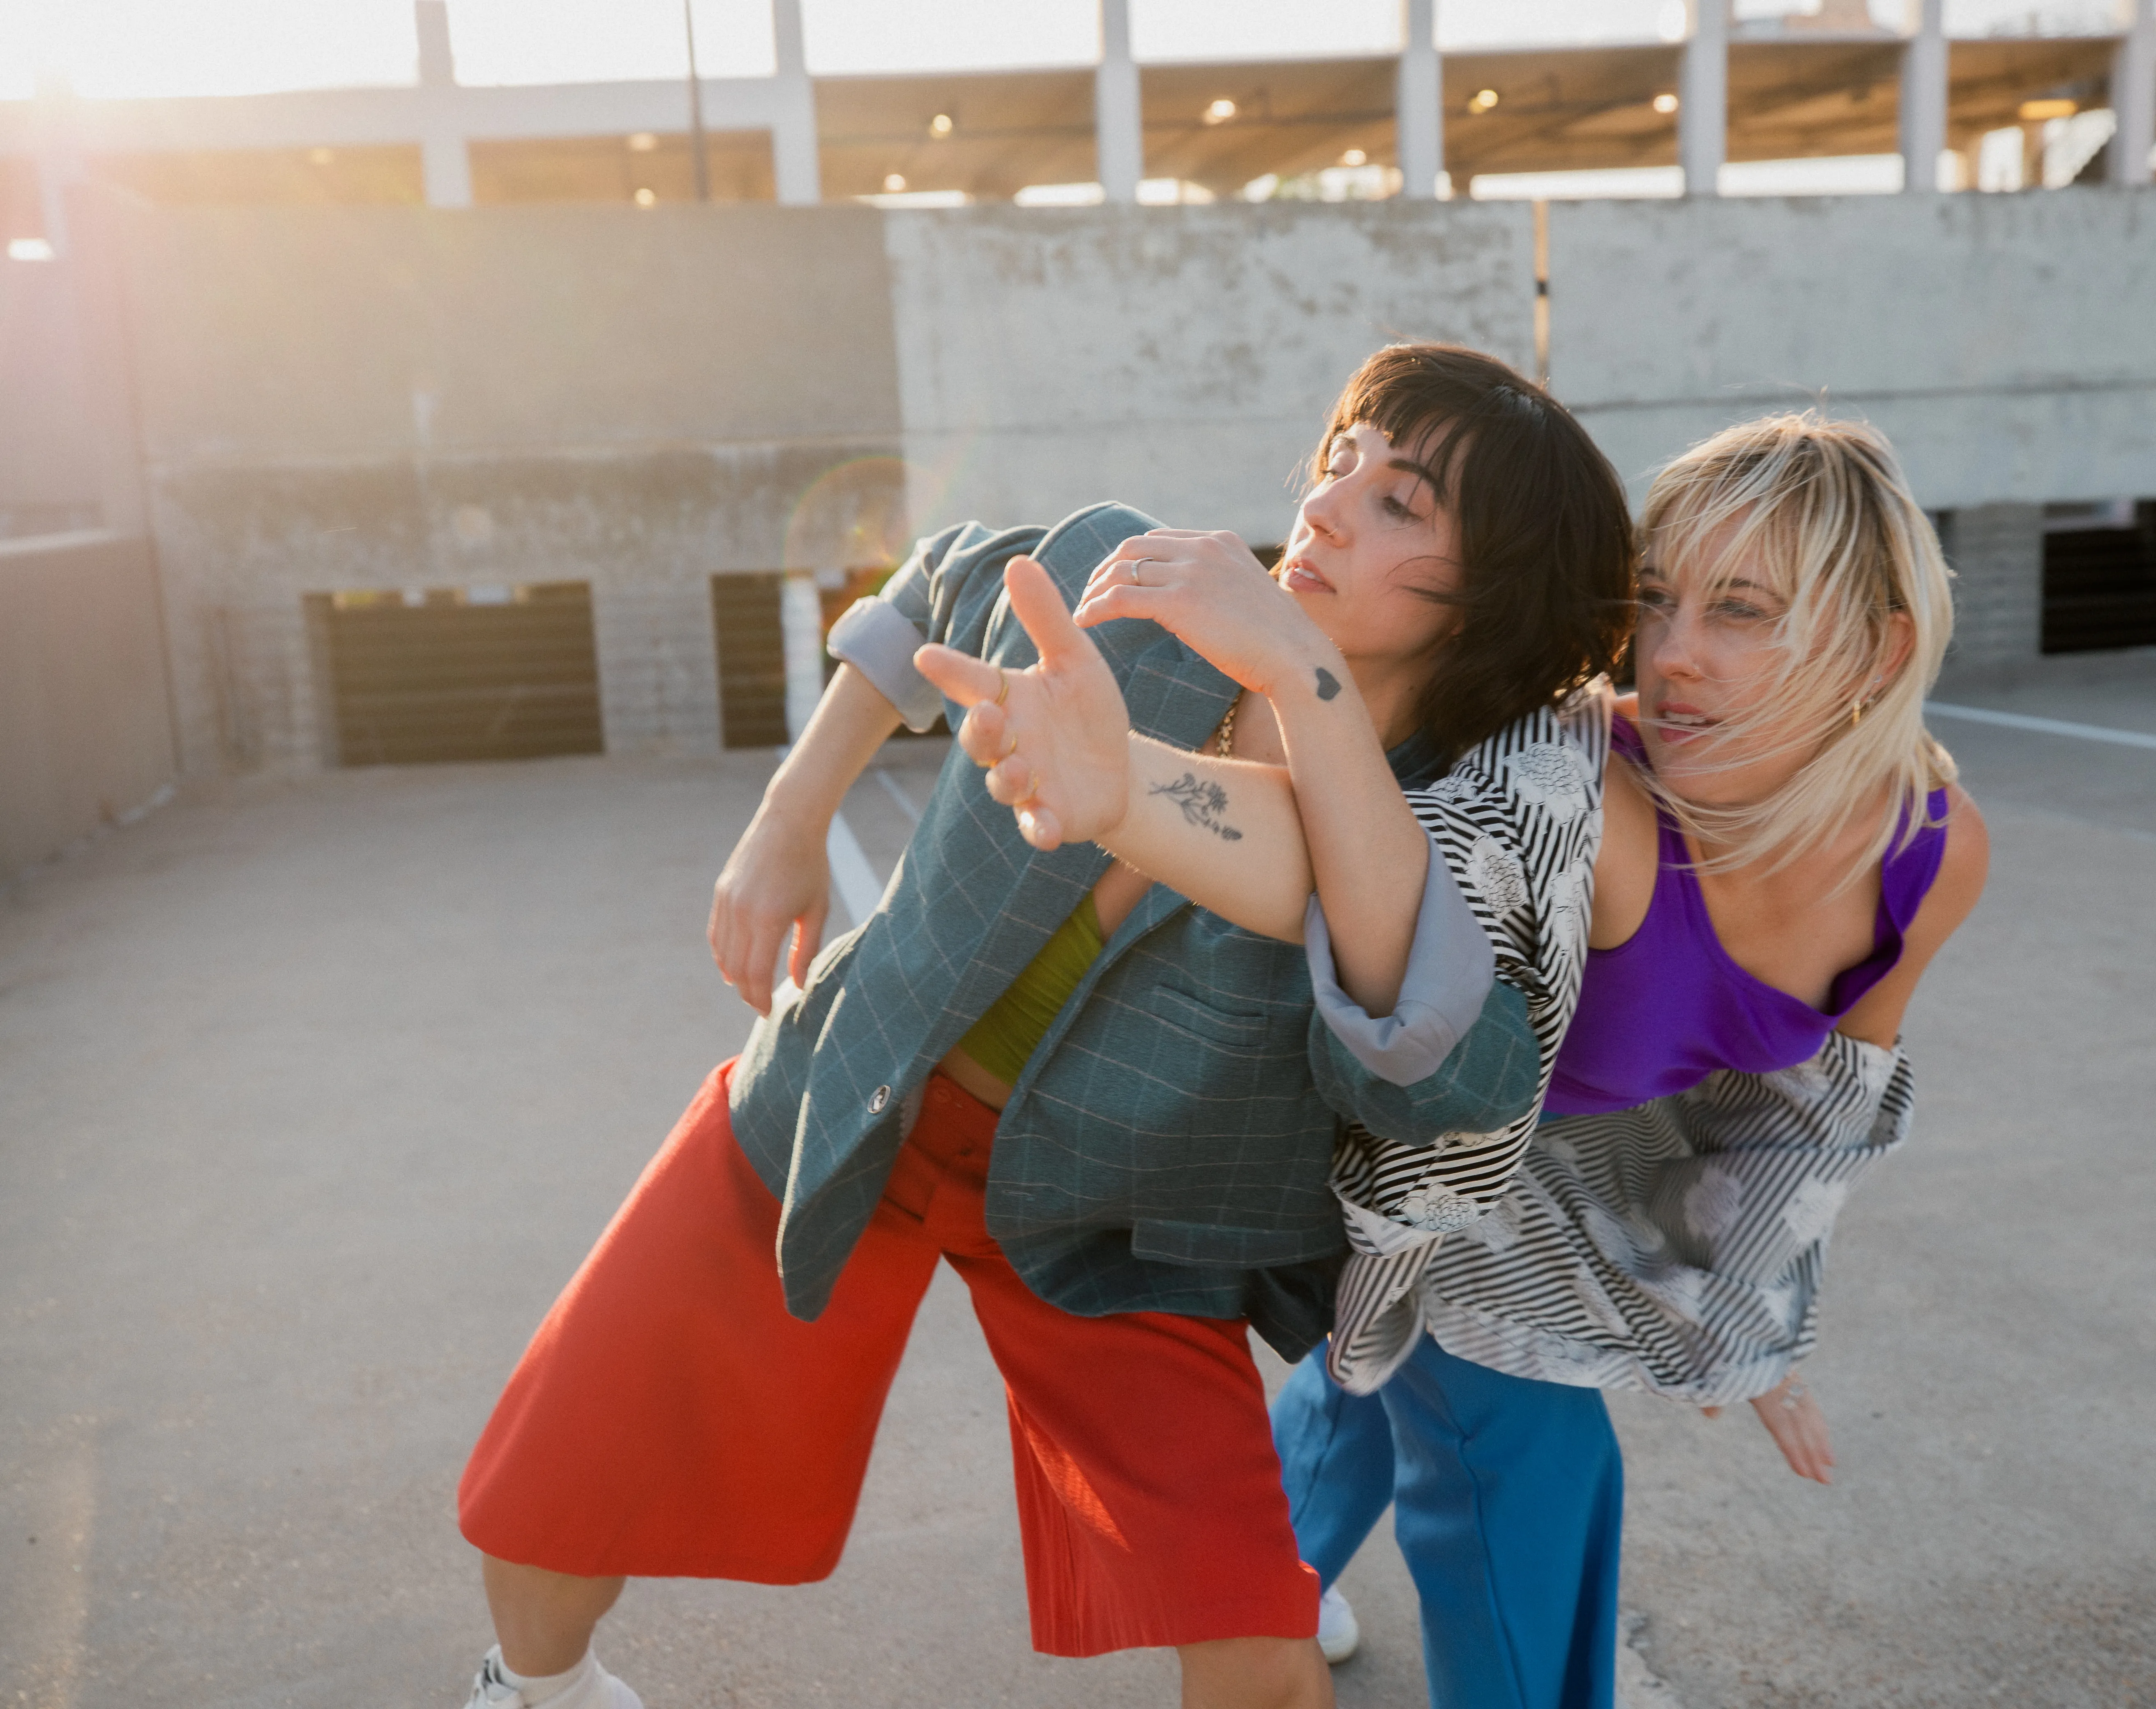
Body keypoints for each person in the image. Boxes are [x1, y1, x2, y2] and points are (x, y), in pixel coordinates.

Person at [449, 343, 1634, 1709]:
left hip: (1131, 1217)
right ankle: (534, 1690)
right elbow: (929, 587)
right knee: (555, 1484)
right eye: (1337, 463)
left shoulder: (1445, 827)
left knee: (1264, 1650)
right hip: (863, 1087)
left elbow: (1459, 1083)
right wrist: (789, 818)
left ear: (1497, 597)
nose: (1323, 506)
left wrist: (1302, 677)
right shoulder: (1129, 582)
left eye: (1402, 505)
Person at [963, 412, 1988, 1709]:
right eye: (1658, 602)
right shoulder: (1567, 789)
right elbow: (1349, 870)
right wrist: (1128, 788)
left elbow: (1814, 1117)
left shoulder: (1931, 849)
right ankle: (1264, 1609)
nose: (1670, 658)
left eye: (1741, 611)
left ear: (1878, 648)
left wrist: (1745, 1322)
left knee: (1362, 1385)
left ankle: (1256, 1596)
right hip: (1414, 1154)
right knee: (1530, 1471)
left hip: (1562, 1181)